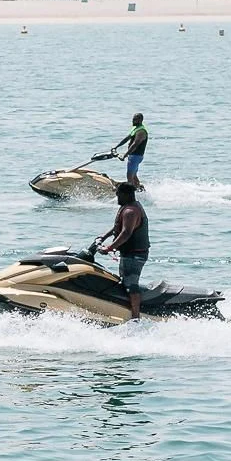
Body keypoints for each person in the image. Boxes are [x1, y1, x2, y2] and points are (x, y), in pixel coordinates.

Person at [97, 181, 149, 319]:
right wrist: (104, 236)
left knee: (130, 285)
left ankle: (136, 317)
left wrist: (109, 248)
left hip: (135, 255)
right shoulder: (127, 207)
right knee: (123, 281)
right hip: (128, 253)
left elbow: (126, 233)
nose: (117, 197)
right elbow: (118, 227)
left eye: (118, 194)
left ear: (126, 195)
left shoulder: (131, 211)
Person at [108, 112, 149, 186]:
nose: (133, 121)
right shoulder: (136, 128)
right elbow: (127, 138)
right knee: (134, 176)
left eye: (135, 120)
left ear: (140, 120)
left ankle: (131, 193)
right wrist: (116, 146)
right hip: (133, 156)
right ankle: (139, 190)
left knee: (129, 176)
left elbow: (135, 144)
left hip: (136, 156)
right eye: (133, 119)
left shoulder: (141, 131)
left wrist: (125, 155)